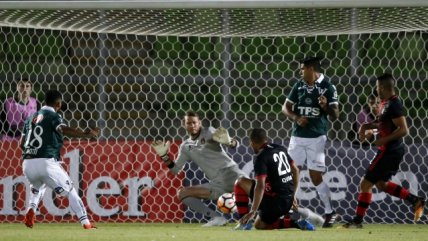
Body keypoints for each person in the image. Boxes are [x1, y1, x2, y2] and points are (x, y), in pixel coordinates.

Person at [343, 73, 425, 228]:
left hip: (390, 150)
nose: (376, 90)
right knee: (381, 184)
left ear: (382, 87)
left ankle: (357, 221)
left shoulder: (394, 104)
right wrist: (366, 126)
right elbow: (382, 124)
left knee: (365, 184)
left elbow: (404, 130)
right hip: (388, 149)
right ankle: (415, 200)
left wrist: (383, 140)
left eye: (377, 87)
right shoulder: (384, 103)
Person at [151, 111, 246, 227]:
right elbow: (176, 170)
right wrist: (164, 157)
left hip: (232, 174)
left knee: (259, 194)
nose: (192, 126)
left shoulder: (209, 132)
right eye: (189, 123)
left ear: (199, 123)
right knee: (182, 193)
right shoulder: (185, 146)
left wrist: (230, 142)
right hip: (218, 184)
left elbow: (235, 145)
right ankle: (216, 218)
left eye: (194, 123)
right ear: (183, 124)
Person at [21, 89, 99, 229]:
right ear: (58, 103)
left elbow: (22, 143)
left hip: (27, 164)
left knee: (38, 186)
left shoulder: (29, 119)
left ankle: (31, 209)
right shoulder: (53, 116)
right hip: (46, 162)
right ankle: (86, 223)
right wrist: (85, 134)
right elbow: (63, 129)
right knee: (71, 191)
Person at [282, 57, 340, 228]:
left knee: (315, 177)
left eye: (302, 69)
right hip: (297, 137)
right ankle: (288, 209)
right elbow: (285, 107)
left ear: (311, 69)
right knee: (290, 172)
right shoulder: (298, 85)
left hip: (317, 138)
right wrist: (296, 117)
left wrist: (325, 107)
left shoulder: (328, 87)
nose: (300, 72)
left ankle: (330, 212)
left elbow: (335, 114)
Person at [233, 128, 315, 230]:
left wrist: (253, 211)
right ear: (265, 139)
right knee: (260, 225)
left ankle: (244, 223)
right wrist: (293, 194)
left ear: (252, 142)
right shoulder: (280, 148)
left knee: (240, 182)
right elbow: (296, 170)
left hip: (275, 202)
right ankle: (296, 223)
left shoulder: (260, 157)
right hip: (288, 200)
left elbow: (260, 186)